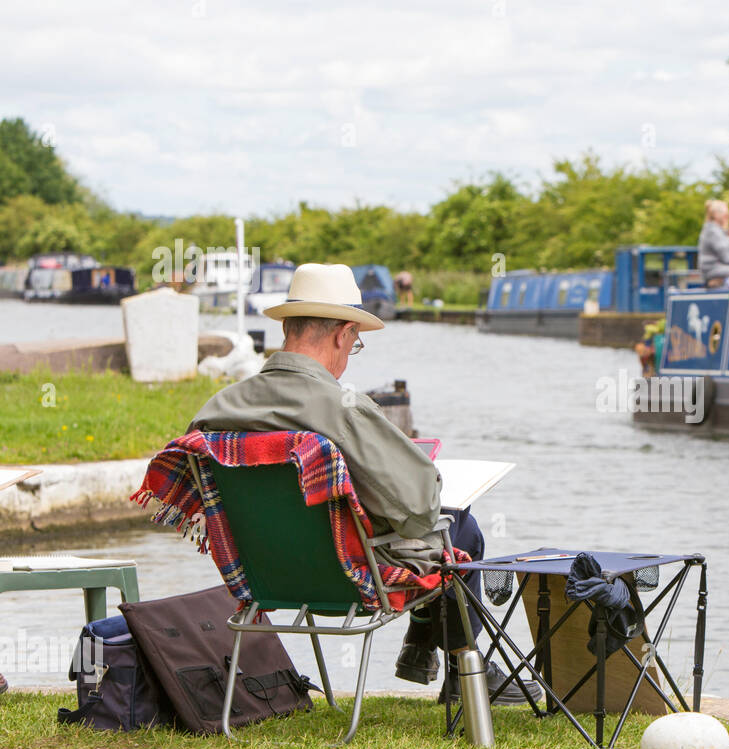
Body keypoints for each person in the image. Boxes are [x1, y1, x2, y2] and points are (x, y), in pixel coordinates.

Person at [189, 263, 540, 705]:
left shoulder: (217, 407)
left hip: (261, 578)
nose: (350, 350)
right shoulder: (343, 407)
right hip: (350, 576)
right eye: (355, 343)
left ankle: (426, 650)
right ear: (343, 334)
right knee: (460, 525)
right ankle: (465, 674)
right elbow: (419, 510)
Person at [697, 200, 729, 287]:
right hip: (713, 269)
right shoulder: (713, 231)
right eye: (726, 215)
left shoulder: (718, 231)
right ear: (717, 215)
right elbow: (725, 255)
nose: (728, 217)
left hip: (718, 268)